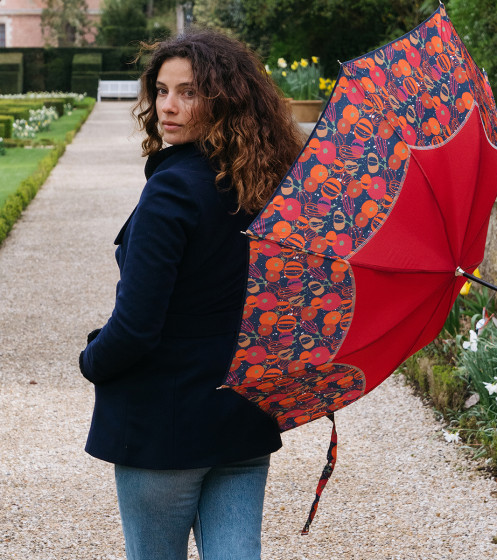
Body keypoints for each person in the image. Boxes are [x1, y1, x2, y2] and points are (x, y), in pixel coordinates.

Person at [79, 29, 304, 560]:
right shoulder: (267, 183)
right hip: (243, 410)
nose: (168, 107)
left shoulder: (172, 189)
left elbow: (136, 328)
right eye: (161, 90)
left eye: (189, 92)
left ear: (224, 100)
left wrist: (92, 359)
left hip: (164, 425)